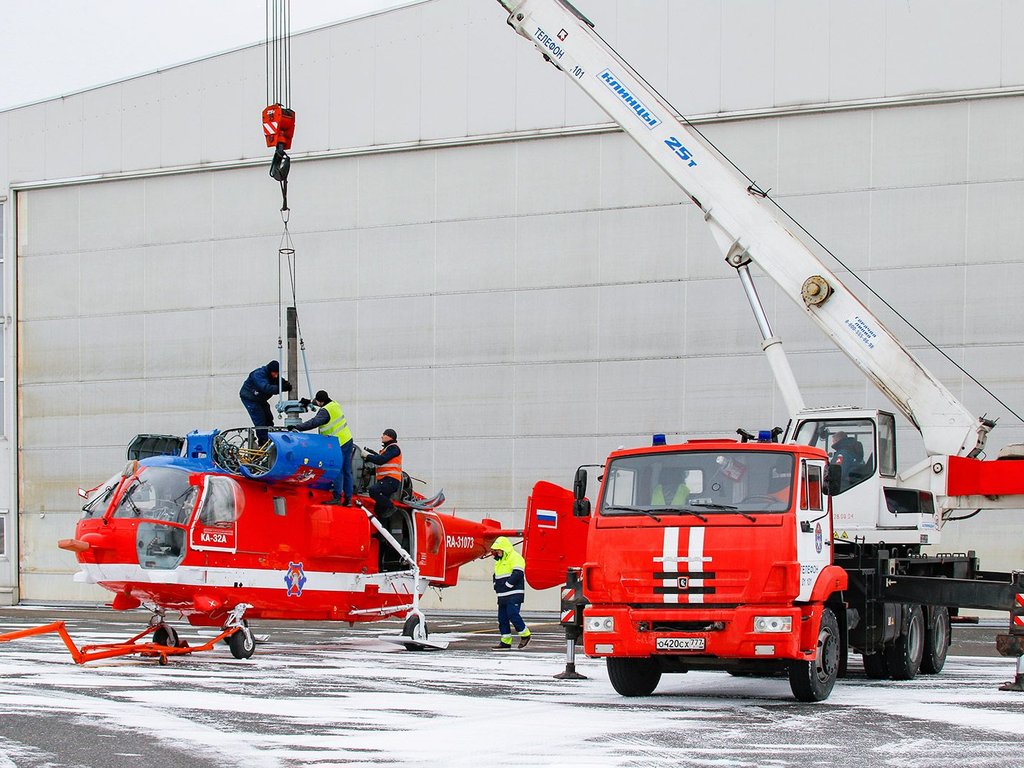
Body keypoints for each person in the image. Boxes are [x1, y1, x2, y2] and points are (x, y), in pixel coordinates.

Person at [293, 390, 354, 506]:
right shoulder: (334, 404)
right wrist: (309, 402)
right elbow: (321, 403)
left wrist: (297, 427)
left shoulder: (324, 412)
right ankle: (348, 499)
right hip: (347, 439)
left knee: (338, 470)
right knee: (347, 471)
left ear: (321, 402)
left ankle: (337, 497)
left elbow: (314, 422)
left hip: (337, 443)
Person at [490, 536, 531, 650]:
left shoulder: (515, 557)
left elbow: (518, 573)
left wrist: (508, 585)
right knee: (502, 618)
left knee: (512, 614)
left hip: (514, 593)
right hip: (502, 595)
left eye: (498, 550)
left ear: (504, 549)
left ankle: (525, 635)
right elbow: (495, 575)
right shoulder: (499, 561)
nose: (497, 552)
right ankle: (505, 641)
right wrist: (496, 586)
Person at [239, 360, 291, 442]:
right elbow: (266, 388)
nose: (276, 375)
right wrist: (281, 388)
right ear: (270, 371)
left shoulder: (273, 375)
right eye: (275, 373)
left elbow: (279, 381)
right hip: (250, 398)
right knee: (260, 420)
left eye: (277, 373)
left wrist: (285, 384)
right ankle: (263, 441)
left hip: (260, 398)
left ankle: (271, 438)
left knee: (268, 417)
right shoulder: (258, 374)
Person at [362, 428, 402, 521]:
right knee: (378, 510)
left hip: (391, 480)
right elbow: (383, 466)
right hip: (386, 480)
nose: (382, 436)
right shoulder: (386, 450)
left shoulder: (394, 448)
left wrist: (367, 456)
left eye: (384, 435)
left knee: (373, 490)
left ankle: (391, 506)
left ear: (390, 437)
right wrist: (371, 470)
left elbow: (380, 460)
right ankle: (382, 530)